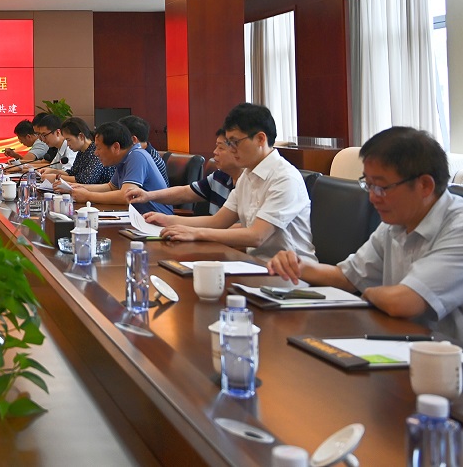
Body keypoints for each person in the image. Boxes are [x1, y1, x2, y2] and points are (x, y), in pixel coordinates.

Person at [268, 127, 463, 339]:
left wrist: (369, 293)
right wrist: (298, 266)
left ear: (424, 185)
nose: (372, 197)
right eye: (368, 185)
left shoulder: (457, 227)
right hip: (399, 340)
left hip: (446, 352)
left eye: (381, 187)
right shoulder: (396, 221)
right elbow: (347, 277)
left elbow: (403, 303)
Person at [145, 103, 315, 261]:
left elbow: (257, 236)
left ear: (260, 139)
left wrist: (196, 233)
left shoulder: (285, 178)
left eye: (235, 142)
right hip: (255, 265)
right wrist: (168, 220)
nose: (231, 149)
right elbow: (217, 222)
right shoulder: (247, 176)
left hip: (291, 274)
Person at [125, 129, 240, 214]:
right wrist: (148, 195)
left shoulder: (247, 183)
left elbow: (238, 228)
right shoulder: (219, 176)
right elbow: (186, 193)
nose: (215, 152)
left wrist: (178, 223)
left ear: (237, 150)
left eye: (221, 148)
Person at [69, 121, 171, 213]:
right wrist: (77, 187)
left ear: (116, 147)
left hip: (157, 219)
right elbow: (111, 187)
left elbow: (126, 196)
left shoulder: (137, 156)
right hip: (140, 216)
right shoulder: (124, 158)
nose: (96, 153)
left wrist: (88, 196)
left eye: (98, 148)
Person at [42, 117, 113, 188]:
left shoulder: (95, 151)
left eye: (69, 140)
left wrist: (57, 177)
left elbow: (86, 180)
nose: (68, 144)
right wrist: (53, 171)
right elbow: (72, 173)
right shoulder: (81, 152)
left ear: (81, 136)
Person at [119, 115, 169, 185]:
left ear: (133, 139)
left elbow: (129, 190)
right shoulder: (132, 155)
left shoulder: (149, 159)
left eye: (120, 137)